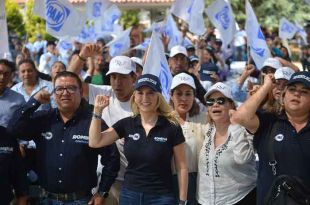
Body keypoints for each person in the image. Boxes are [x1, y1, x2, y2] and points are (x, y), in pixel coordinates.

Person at [8, 71, 120, 205]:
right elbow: (13, 129)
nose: (65, 93)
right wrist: (34, 101)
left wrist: (102, 192)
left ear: (81, 91)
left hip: (81, 200)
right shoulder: (43, 119)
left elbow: (112, 159)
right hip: (45, 199)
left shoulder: (94, 122)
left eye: (71, 88)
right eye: (59, 89)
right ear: (54, 93)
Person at [89, 74, 188, 205]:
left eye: (150, 93)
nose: (145, 98)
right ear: (134, 97)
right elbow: (95, 142)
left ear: (158, 96)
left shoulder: (171, 127)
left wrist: (182, 200)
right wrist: (97, 111)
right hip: (130, 195)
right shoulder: (126, 124)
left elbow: (182, 167)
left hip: (161, 197)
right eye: (140, 93)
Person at [69, 44, 137, 205]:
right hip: (108, 179)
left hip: (137, 180)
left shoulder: (144, 101)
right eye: (114, 77)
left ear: (134, 78)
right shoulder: (103, 93)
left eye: (123, 77)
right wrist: (82, 56)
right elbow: (69, 79)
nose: (117, 82)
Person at [231, 71, 310, 205]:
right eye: (292, 89)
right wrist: (266, 86)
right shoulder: (269, 121)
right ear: (283, 97)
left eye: (304, 91)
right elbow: (239, 117)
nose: (297, 94)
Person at [197, 82, 257, 205]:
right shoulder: (206, 128)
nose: (215, 105)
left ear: (231, 104)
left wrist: (235, 124)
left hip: (239, 199)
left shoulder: (244, 128)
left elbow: (242, 159)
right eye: (210, 102)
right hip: (204, 200)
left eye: (221, 101)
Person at [170, 72, 207, 205]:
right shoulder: (163, 121)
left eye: (188, 93)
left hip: (200, 184)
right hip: (168, 184)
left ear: (194, 96)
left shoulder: (205, 119)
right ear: (171, 95)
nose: (183, 98)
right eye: (179, 94)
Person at [0, 59, 27, 205]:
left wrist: (22, 144)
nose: (2, 77)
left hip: (9, 150)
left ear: (11, 76)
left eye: (6, 74)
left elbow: (23, 126)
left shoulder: (18, 99)